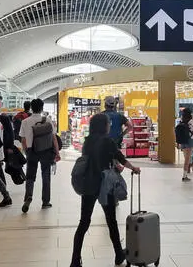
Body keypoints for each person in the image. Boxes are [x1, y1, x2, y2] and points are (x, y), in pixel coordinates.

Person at [70, 113, 141, 267]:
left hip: (89, 183)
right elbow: (120, 157)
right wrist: (133, 168)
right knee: (111, 221)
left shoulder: (88, 141)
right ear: (104, 126)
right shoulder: (108, 141)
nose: (110, 125)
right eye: (108, 123)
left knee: (83, 222)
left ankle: (75, 260)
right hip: (104, 185)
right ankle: (118, 254)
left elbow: (92, 159)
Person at [20, 98, 61, 213]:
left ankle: (28, 197)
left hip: (31, 151)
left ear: (31, 108)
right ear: (42, 108)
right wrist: (57, 153)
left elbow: (23, 139)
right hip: (46, 151)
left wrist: (26, 152)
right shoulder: (47, 120)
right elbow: (53, 138)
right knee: (46, 176)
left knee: (30, 177)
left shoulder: (25, 121)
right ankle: (45, 201)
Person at [176, 108, 193, 182]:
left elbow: (178, 133)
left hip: (182, 141)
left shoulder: (181, 121)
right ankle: (184, 176)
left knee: (186, 159)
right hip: (190, 141)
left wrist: (177, 143)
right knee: (187, 160)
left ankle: (189, 168)